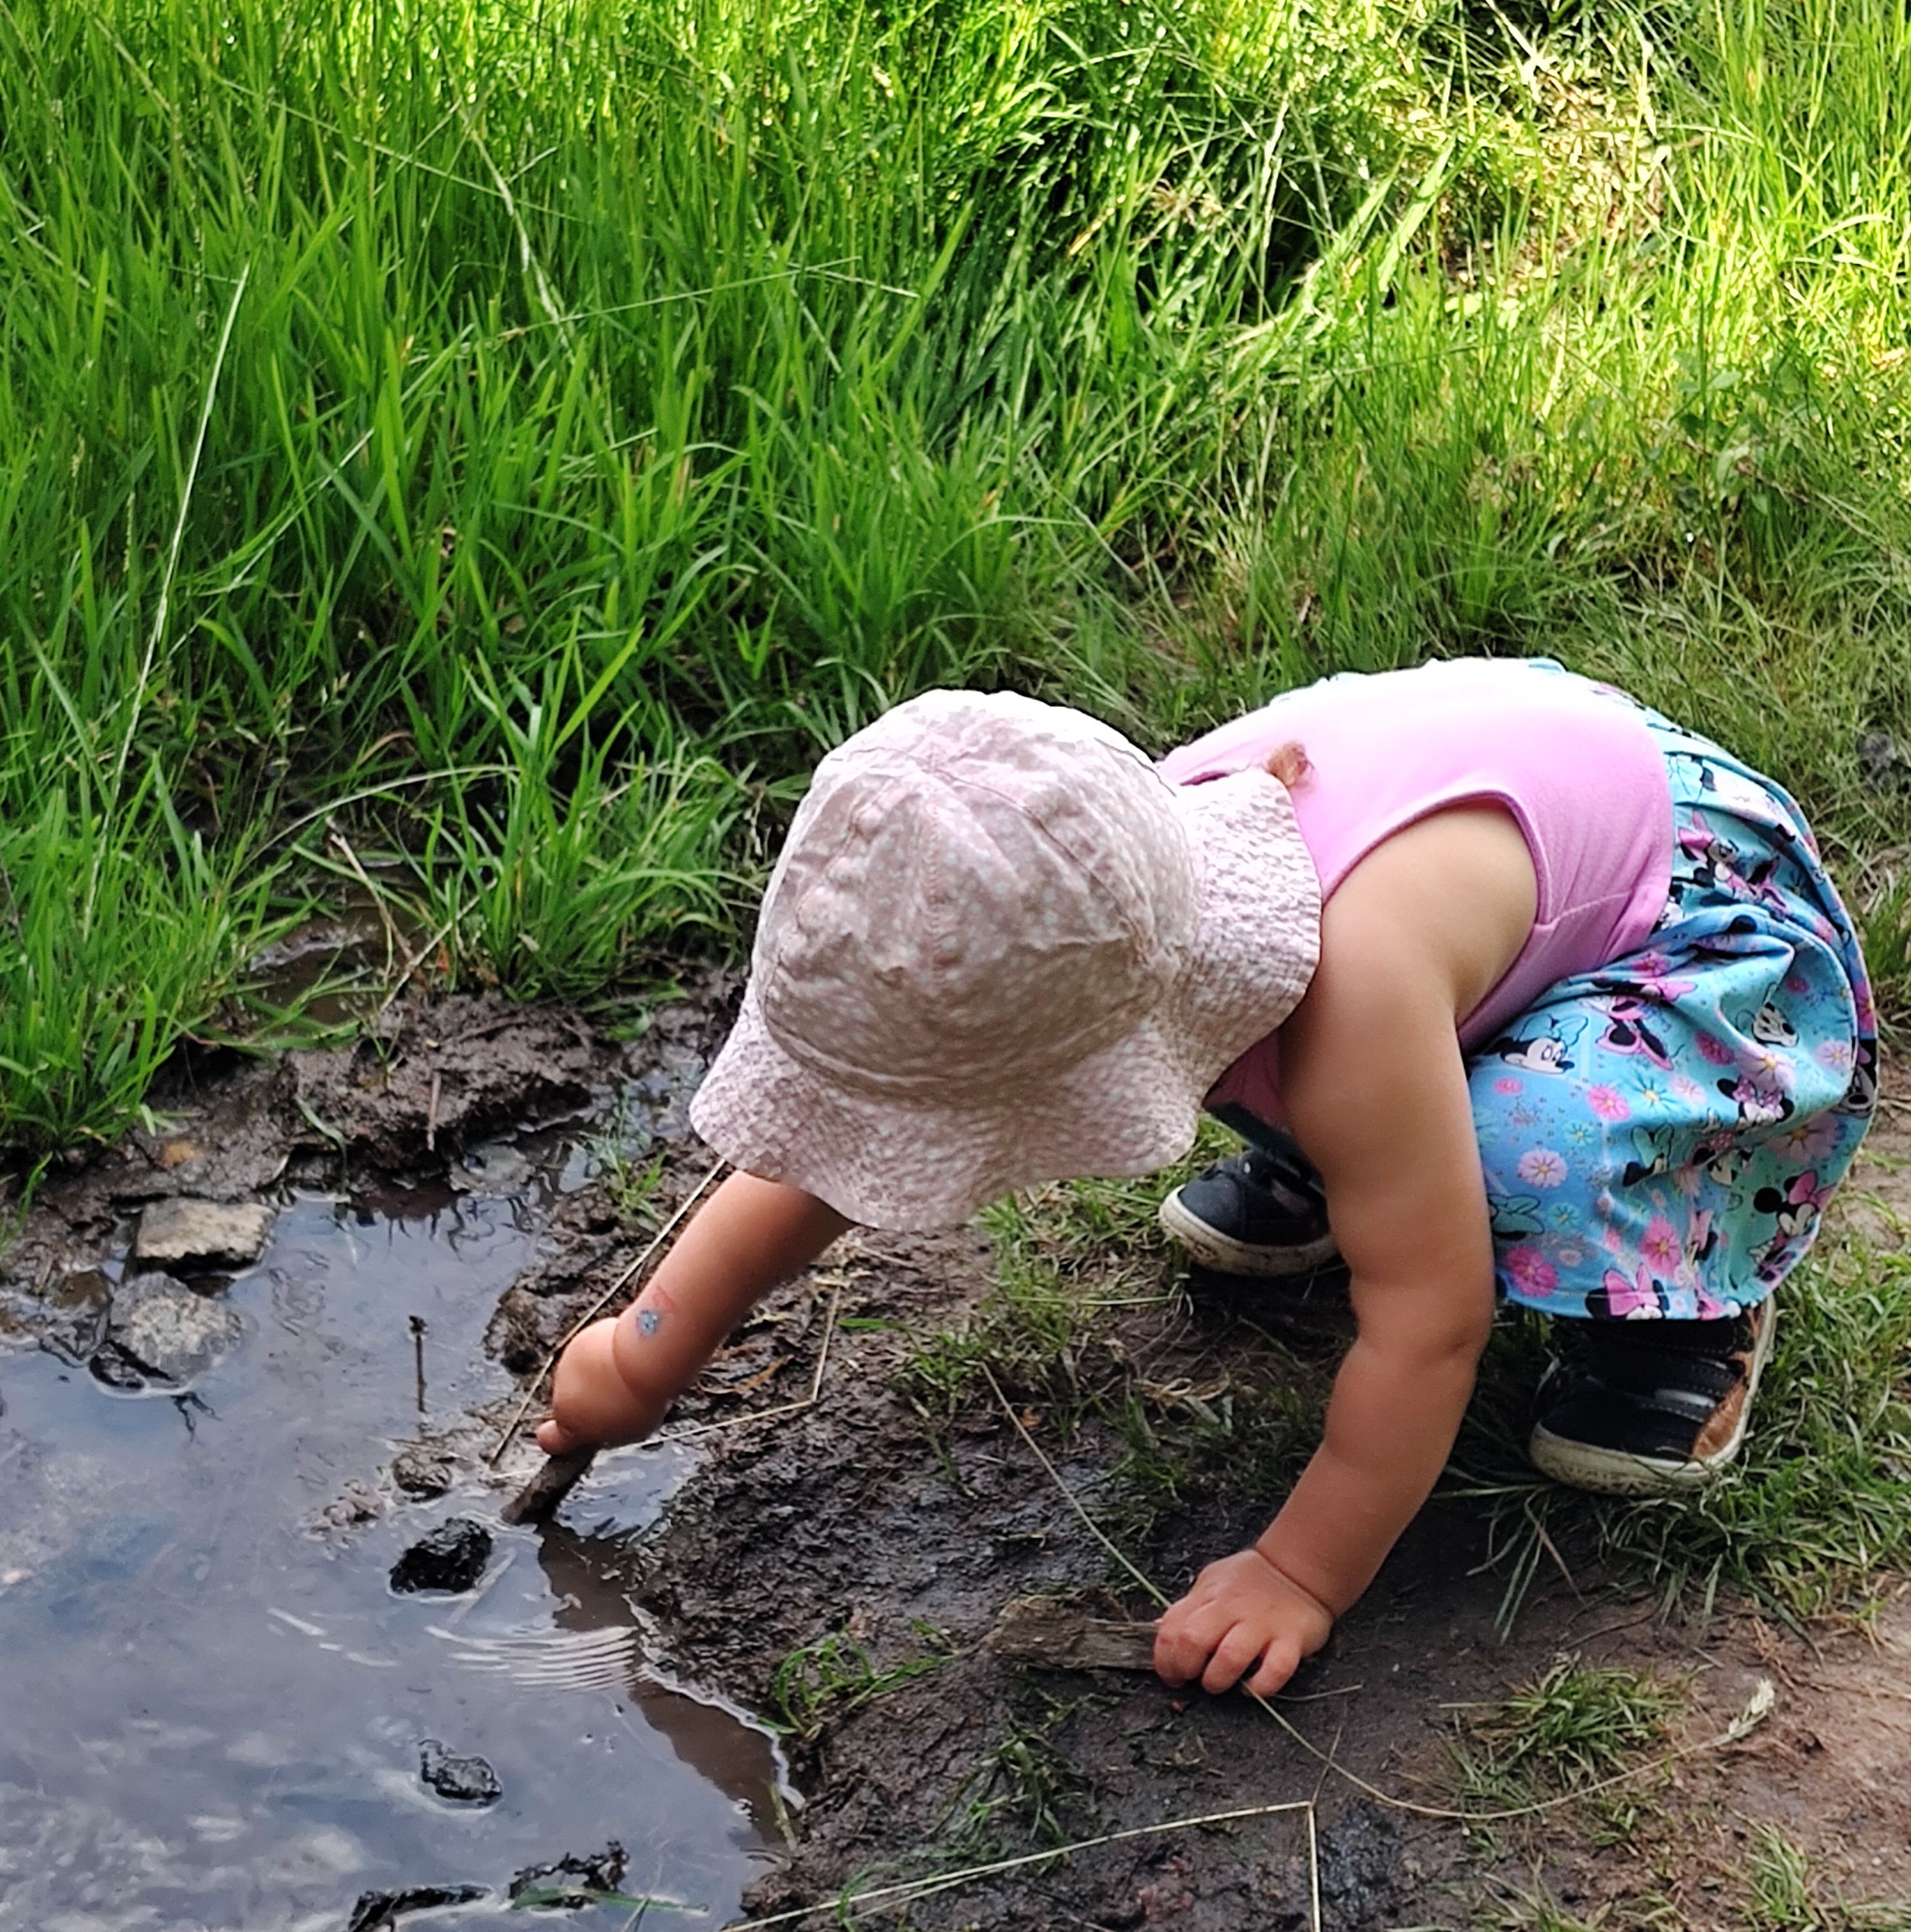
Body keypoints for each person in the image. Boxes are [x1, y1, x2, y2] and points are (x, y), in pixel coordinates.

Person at [537, 658, 1875, 1699]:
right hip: (1493, 813)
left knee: (1500, 1153)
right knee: (1366, 1103)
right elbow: (826, 1154)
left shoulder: (1348, 990)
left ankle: (1691, 1274)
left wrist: (1300, 1571)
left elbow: (1429, 1320)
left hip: (1676, 924)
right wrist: (651, 1347)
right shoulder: (1073, 875)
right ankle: (1357, 1167)